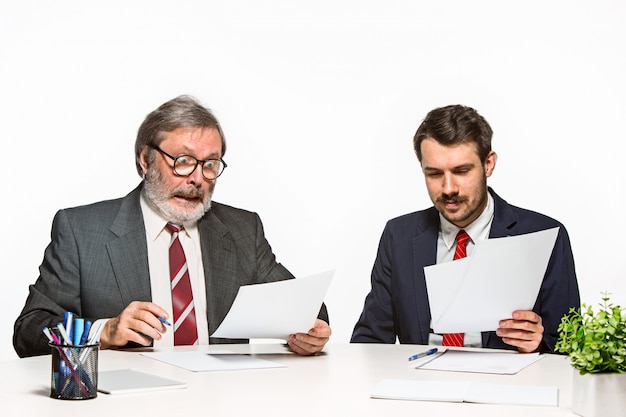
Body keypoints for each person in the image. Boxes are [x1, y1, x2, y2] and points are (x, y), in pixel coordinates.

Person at [14, 95, 330, 358]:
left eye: (210, 164)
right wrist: (104, 331)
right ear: (145, 160)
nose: (196, 178)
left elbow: (306, 309)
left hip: (222, 402)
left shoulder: (242, 229)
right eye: (182, 160)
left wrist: (310, 331)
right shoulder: (81, 231)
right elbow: (30, 331)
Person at [351, 104, 579, 353]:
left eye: (461, 171)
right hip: (420, 385)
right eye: (435, 173)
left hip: (505, 387)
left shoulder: (543, 235)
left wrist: (539, 342)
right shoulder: (399, 235)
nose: (449, 188)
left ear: (488, 164)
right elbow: (370, 340)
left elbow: (571, 345)